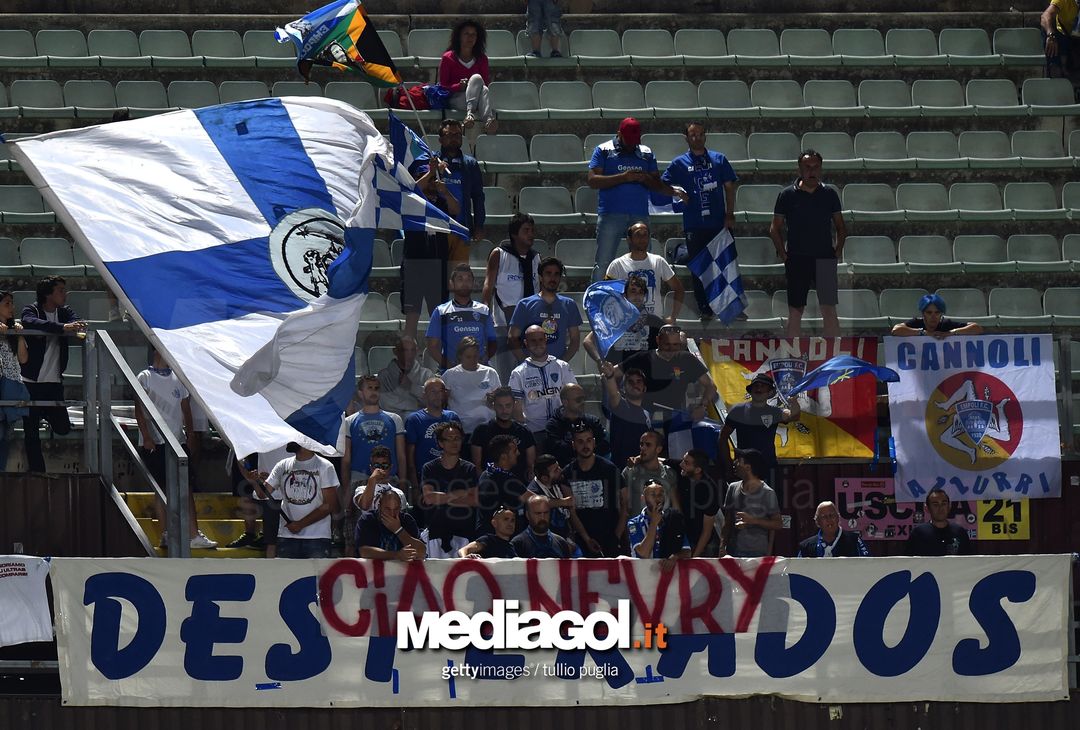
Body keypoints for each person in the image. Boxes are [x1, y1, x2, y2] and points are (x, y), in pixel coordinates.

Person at [135, 348, 217, 550]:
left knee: (186, 487)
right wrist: (146, 436)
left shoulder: (177, 379)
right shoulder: (144, 377)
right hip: (155, 442)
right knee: (162, 488)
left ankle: (193, 534)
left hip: (177, 441)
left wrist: (190, 436)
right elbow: (139, 408)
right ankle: (165, 533)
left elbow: (185, 409)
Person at [662, 120, 744, 321]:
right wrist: (677, 192)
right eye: (692, 135)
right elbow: (660, 184)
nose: (696, 138)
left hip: (719, 222)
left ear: (705, 136)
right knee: (699, 267)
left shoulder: (719, 159)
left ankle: (733, 307)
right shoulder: (679, 163)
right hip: (694, 224)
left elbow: (729, 187)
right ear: (686, 138)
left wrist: (729, 213)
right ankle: (705, 308)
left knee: (726, 264)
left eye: (700, 134)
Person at [588, 117, 682, 280]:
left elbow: (657, 184)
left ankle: (646, 300)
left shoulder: (645, 152)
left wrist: (647, 179)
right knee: (604, 262)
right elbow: (592, 181)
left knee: (644, 261)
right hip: (610, 215)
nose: (632, 144)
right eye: (628, 140)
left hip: (640, 216)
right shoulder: (603, 150)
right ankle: (597, 301)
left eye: (634, 140)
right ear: (619, 134)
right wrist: (624, 177)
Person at [769, 149, 847, 339]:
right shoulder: (787, 195)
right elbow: (774, 228)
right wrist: (784, 254)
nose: (812, 171)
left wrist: (836, 252)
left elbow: (841, 226)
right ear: (800, 170)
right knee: (796, 311)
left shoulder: (829, 194)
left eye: (815, 167)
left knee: (829, 309)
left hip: (824, 257)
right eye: (807, 167)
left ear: (820, 169)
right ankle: (792, 357)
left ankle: (833, 357)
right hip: (797, 259)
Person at [20, 275, 86, 473]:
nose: (64, 295)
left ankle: (44, 414)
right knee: (31, 434)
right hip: (31, 382)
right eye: (60, 291)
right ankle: (38, 473)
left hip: (54, 382)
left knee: (63, 427)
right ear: (48, 294)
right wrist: (61, 328)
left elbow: (76, 322)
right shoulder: (32, 309)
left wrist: (71, 326)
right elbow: (29, 321)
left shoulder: (64, 312)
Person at [616, 324, 716, 429]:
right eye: (667, 344)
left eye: (675, 345)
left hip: (675, 418)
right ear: (658, 340)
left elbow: (711, 386)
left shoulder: (687, 359)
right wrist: (619, 399)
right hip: (646, 418)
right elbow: (612, 373)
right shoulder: (643, 358)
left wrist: (702, 406)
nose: (671, 349)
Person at [401, 165, 459, 341]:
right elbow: (410, 189)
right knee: (412, 316)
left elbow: (456, 210)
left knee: (440, 315)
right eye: (428, 178)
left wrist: (446, 192)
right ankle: (408, 361)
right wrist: (429, 173)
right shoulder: (412, 200)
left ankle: (440, 360)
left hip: (437, 264)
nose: (432, 181)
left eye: (434, 178)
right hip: (414, 264)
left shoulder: (440, 203)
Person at [483, 213, 541, 383]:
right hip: (503, 323)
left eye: (532, 230)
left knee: (529, 376)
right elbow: (488, 284)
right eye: (526, 230)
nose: (531, 234)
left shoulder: (536, 257)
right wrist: (485, 313)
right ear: (515, 234)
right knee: (505, 374)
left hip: (529, 325)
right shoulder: (499, 254)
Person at [719, 373, 799, 494]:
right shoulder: (738, 411)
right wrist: (728, 465)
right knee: (745, 508)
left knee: (770, 508)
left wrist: (793, 402)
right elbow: (722, 437)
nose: (758, 389)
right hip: (744, 469)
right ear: (750, 391)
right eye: (755, 386)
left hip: (769, 469)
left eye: (763, 386)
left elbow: (794, 416)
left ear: (770, 392)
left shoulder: (775, 412)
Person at [263, 442, 340, 559]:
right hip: (287, 536)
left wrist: (301, 524)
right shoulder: (282, 465)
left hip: (317, 537)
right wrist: (253, 481)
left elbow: (329, 505)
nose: (290, 440)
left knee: (315, 577)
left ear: (307, 441)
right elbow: (263, 494)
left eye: (295, 438)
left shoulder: (325, 466)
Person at [563, 423, 627, 557]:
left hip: (611, 536)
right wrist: (586, 539)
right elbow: (571, 511)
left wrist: (617, 536)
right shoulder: (567, 473)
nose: (585, 445)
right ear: (573, 445)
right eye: (580, 442)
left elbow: (625, 504)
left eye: (588, 440)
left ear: (594, 442)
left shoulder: (610, 469)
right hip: (582, 539)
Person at [428, 119, 486, 265]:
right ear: (440, 139)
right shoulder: (432, 161)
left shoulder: (470, 164)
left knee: (458, 280)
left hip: (461, 228)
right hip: (437, 228)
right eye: (449, 134)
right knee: (435, 277)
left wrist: (479, 225)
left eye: (458, 135)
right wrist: (433, 170)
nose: (454, 138)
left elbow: (478, 196)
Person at [342, 375, 407, 501]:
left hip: (389, 478)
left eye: (376, 388)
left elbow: (401, 456)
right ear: (360, 393)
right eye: (369, 388)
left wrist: (403, 483)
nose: (374, 391)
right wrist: (346, 490)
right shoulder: (349, 421)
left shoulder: (395, 419)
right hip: (359, 479)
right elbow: (346, 460)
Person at [508, 324, 577, 442]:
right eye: (533, 341)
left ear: (546, 340)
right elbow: (516, 409)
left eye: (540, 339)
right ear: (526, 343)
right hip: (535, 433)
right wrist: (526, 430)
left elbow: (574, 397)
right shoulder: (518, 373)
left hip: (561, 430)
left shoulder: (562, 367)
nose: (537, 344)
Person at [420, 421, 479, 558]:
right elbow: (429, 498)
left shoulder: (469, 468)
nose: (454, 442)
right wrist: (460, 493)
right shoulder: (429, 468)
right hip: (436, 531)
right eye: (449, 439)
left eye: (457, 438)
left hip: (463, 532)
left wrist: (443, 499)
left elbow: (474, 500)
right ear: (441, 443)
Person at [604, 222, 684, 322]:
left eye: (645, 234)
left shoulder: (659, 261)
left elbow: (678, 289)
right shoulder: (617, 265)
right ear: (629, 239)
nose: (642, 238)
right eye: (638, 234)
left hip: (654, 324)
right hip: (627, 324)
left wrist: (673, 317)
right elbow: (606, 296)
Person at [507, 256, 582, 363]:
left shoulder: (569, 304)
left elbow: (575, 340)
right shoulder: (525, 304)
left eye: (556, 274)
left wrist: (561, 364)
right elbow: (512, 337)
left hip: (558, 369)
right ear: (540, 277)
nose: (553, 278)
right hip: (530, 369)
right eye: (548, 273)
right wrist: (527, 363)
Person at [583, 275, 664, 367]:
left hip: (643, 376)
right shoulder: (612, 319)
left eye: (641, 292)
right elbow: (588, 341)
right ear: (625, 295)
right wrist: (600, 361)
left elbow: (672, 336)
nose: (637, 296)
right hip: (616, 373)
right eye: (633, 291)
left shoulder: (653, 320)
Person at [427, 263, 498, 369]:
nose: (465, 283)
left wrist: (482, 362)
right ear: (451, 284)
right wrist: (452, 368)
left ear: (473, 283)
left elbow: (493, 342)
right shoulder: (441, 311)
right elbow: (432, 346)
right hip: (450, 371)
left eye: (468, 279)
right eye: (460, 279)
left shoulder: (483, 311)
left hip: (479, 370)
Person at [720, 448, 782, 558]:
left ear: (748, 467)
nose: (735, 463)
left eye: (739, 461)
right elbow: (727, 520)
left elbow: (777, 524)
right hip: (732, 551)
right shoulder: (733, 487)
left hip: (756, 552)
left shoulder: (767, 492)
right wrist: (722, 546)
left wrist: (754, 521)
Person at [439, 19, 497, 135]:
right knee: (478, 80)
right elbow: (442, 86)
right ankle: (487, 119)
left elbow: (483, 83)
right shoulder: (448, 58)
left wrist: (471, 86)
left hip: (476, 101)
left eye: (473, 34)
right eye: (466, 34)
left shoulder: (482, 59)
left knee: (479, 81)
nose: (470, 37)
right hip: (457, 99)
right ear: (459, 36)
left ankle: (475, 117)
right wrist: (458, 86)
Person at [404, 377, 461, 488]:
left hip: (451, 477)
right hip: (425, 478)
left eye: (441, 391)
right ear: (424, 395)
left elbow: (458, 449)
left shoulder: (452, 417)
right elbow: (409, 457)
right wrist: (415, 485)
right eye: (433, 391)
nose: (437, 395)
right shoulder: (414, 419)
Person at [471, 386, 536, 483]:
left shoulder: (524, 432)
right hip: (492, 486)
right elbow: (477, 466)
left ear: (514, 405)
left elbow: (531, 467)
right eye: (500, 406)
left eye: (508, 405)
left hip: (520, 485)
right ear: (493, 406)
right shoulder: (481, 431)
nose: (504, 410)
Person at [441, 336, 501, 437]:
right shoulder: (450, 375)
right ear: (460, 356)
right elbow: (442, 400)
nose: (472, 360)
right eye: (468, 357)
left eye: (475, 356)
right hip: (461, 430)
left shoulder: (490, 372)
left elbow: (501, 399)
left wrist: (494, 399)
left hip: (488, 428)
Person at [599, 363, 653, 469]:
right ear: (623, 389)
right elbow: (614, 394)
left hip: (642, 470)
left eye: (638, 381)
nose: (635, 384)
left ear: (644, 388)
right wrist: (610, 376)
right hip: (621, 470)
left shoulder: (647, 414)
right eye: (630, 382)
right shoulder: (620, 406)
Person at [627, 480, 690, 568]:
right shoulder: (634, 523)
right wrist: (654, 523)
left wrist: (676, 556)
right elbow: (644, 553)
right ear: (643, 498)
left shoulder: (674, 518)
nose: (657, 499)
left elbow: (687, 551)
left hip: (669, 575)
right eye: (652, 495)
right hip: (642, 575)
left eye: (660, 495)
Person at [544, 383, 609, 465]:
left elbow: (605, 444)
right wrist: (587, 449)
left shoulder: (592, 421)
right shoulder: (553, 426)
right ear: (565, 402)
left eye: (583, 399)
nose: (583, 402)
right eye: (578, 400)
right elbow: (557, 451)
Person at [0, 290, 29, 471]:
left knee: (6, 435)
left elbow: (23, 359)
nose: (12, 308)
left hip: (11, 384)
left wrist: (18, 335)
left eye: (12, 303)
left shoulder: (14, 329)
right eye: (7, 304)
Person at [475, 434, 529, 530]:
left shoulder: (486, 473)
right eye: (515, 451)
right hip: (495, 537)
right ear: (504, 457)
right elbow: (534, 500)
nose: (518, 453)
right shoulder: (505, 480)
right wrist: (563, 502)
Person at [354, 489, 425, 561]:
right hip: (374, 570)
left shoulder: (406, 520)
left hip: (402, 570)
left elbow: (421, 552)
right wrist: (396, 555)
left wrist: (398, 530)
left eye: (396, 509)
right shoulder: (368, 519)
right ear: (379, 506)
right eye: (387, 509)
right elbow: (364, 552)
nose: (392, 514)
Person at [374, 336, 435, 419]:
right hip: (391, 418)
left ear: (416, 351)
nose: (409, 355)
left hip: (420, 419)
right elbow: (384, 403)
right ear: (396, 351)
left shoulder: (427, 374)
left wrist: (411, 387)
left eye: (412, 350)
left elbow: (433, 400)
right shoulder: (384, 376)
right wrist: (414, 404)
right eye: (404, 350)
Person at [677, 449, 723, 558]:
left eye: (686, 463)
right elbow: (661, 460)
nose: (681, 464)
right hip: (685, 540)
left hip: (705, 543)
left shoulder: (709, 490)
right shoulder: (683, 471)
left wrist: (695, 557)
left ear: (697, 470)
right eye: (683, 460)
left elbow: (707, 530)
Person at [907, 488, 973, 556]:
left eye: (943, 504)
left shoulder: (959, 532)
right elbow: (909, 562)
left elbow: (968, 562)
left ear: (949, 506)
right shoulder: (918, 533)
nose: (940, 508)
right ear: (927, 508)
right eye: (935, 504)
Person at [511, 494, 580, 557]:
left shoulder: (561, 543)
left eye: (546, 513)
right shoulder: (518, 544)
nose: (542, 517)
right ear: (527, 515)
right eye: (538, 513)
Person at [621, 430, 677, 508]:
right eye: (641, 444)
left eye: (648, 445)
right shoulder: (630, 471)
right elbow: (623, 506)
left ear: (658, 449)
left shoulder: (669, 473)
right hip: (637, 519)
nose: (643, 448)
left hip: (663, 519)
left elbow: (675, 506)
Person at [890, 293, 984, 339]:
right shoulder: (916, 323)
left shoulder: (946, 324)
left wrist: (951, 333)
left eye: (937, 312)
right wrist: (924, 333)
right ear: (923, 313)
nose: (933, 316)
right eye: (929, 313)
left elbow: (977, 328)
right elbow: (896, 330)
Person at [525, 453, 575, 537]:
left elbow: (571, 514)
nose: (560, 470)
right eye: (556, 470)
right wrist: (563, 502)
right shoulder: (534, 492)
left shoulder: (558, 481)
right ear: (544, 478)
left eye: (558, 467)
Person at [797, 500, 870, 557]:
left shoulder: (855, 540)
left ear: (838, 518)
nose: (829, 519)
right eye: (824, 517)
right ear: (817, 522)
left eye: (832, 515)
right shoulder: (806, 546)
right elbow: (798, 572)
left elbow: (869, 565)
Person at [1041, 0, 1078, 75]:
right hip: (1068, 38)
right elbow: (1045, 16)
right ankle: (1055, 69)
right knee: (1049, 30)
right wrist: (1051, 35)